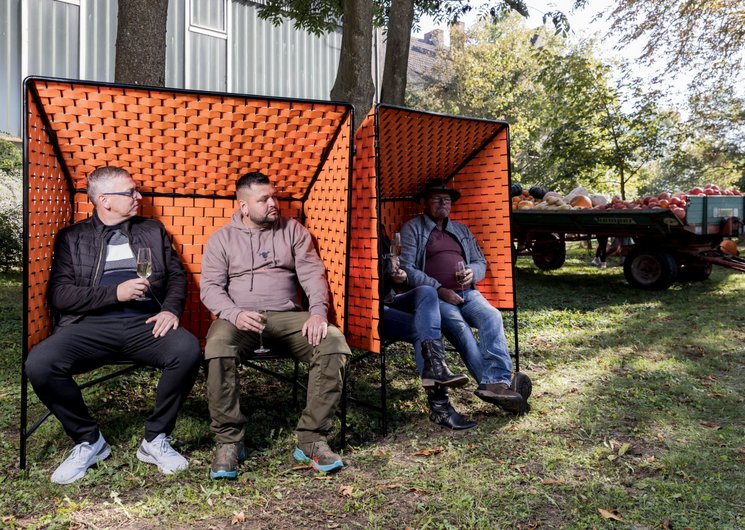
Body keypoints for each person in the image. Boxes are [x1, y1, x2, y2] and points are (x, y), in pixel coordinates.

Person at [25, 166, 203, 485]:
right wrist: (114, 292)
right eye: (131, 192)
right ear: (105, 200)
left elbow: (177, 276)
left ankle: (155, 438)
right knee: (40, 363)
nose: (139, 196)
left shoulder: (152, 231)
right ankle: (88, 440)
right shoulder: (73, 237)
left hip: (145, 321)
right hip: (89, 325)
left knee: (187, 350)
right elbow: (60, 294)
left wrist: (171, 311)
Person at [201, 171, 351, 478]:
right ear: (243, 206)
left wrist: (319, 313)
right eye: (264, 199)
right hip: (239, 318)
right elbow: (211, 289)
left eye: (275, 196)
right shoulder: (222, 239)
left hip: (287, 317)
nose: (274, 203)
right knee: (217, 346)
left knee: (333, 343)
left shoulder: (293, 230)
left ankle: (312, 439)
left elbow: (312, 275)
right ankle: (229, 442)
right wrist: (233, 313)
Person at [399, 178, 532, 414]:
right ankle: (501, 389)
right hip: (436, 298)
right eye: (437, 198)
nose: (443, 203)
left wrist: (473, 273)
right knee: (460, 328)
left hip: (468, 292)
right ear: (423, 203)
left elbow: (480, 261)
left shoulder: (461, 229)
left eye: (447, 199)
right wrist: (439, 289)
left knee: (492, 316)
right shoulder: (413, 228)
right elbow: (407, 268)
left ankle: (497, 382)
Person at [379, 230, 476, 430]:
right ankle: (440, 409)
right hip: (364, 308)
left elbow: (387, 272)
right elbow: (354, 270)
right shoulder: (350, 228)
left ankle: (435, 367)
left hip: (389, 299)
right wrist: (387, 267)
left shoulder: (378, 229)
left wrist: (401, 277)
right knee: (421, 329)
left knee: (427, 291)